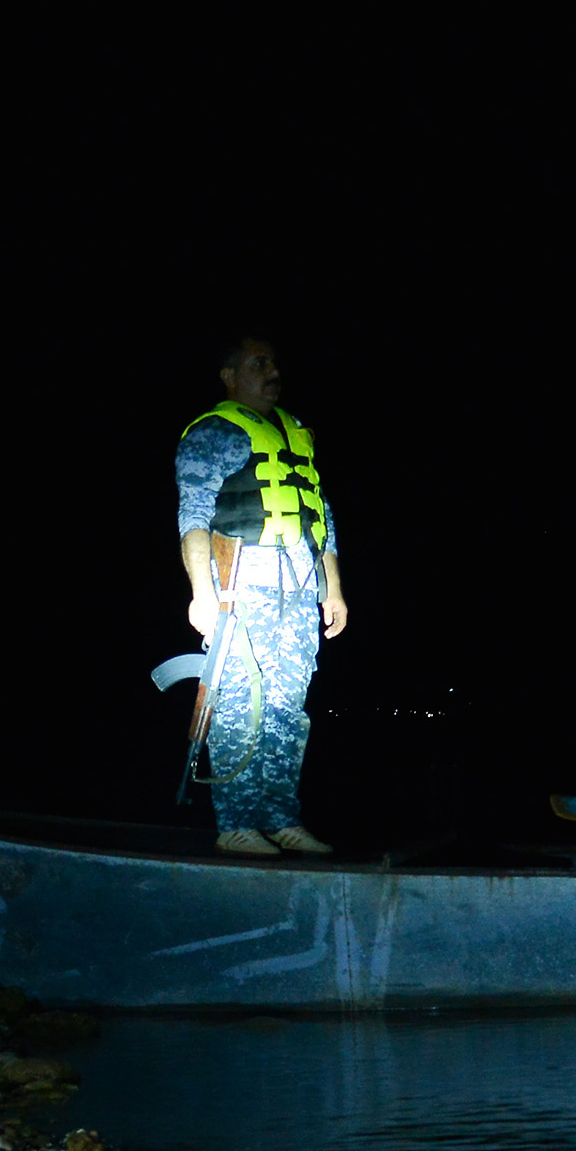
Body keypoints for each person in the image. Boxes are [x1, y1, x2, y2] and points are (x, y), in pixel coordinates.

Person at [175, 335, 350, 856]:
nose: (272, 371)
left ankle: (280, 819)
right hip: (239, 579)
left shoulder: (298, 434)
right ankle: (235, 823)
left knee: (286, 706)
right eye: (259, 363)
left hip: (298, 583)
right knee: (237, 703)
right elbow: (193, 517)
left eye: (274, 361)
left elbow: (321, 515)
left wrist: (333, 588)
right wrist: (201, 595)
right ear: (230, 374)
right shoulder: (213, 433)